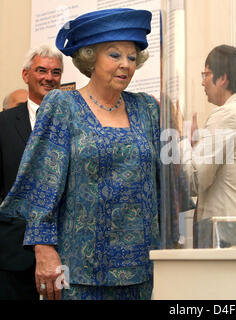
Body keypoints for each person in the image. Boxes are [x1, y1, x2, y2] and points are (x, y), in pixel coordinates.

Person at [0, 8, 159, 300]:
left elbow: (164, 181)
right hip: (77, 270)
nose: (125, 64)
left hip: (140, 269)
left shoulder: (147, 108)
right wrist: (44, 249)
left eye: (132, 57)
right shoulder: (63, 105)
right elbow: (42, 185)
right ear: (90, 58)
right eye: (114, 55)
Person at [179, 45, 236, 248]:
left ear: (222, 78)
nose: (203, 81)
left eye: (206, 74)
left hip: (231, 233)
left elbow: (195, 180)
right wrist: (196, 146)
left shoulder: (227, 115)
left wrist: (181, 141)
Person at [0, 45, 63, 300]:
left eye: (56, 72)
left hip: (64, 252)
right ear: (26, 75)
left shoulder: (73, 122)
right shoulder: (3, 124)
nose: (49, 77)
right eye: (41, 70)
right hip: (13, 255)